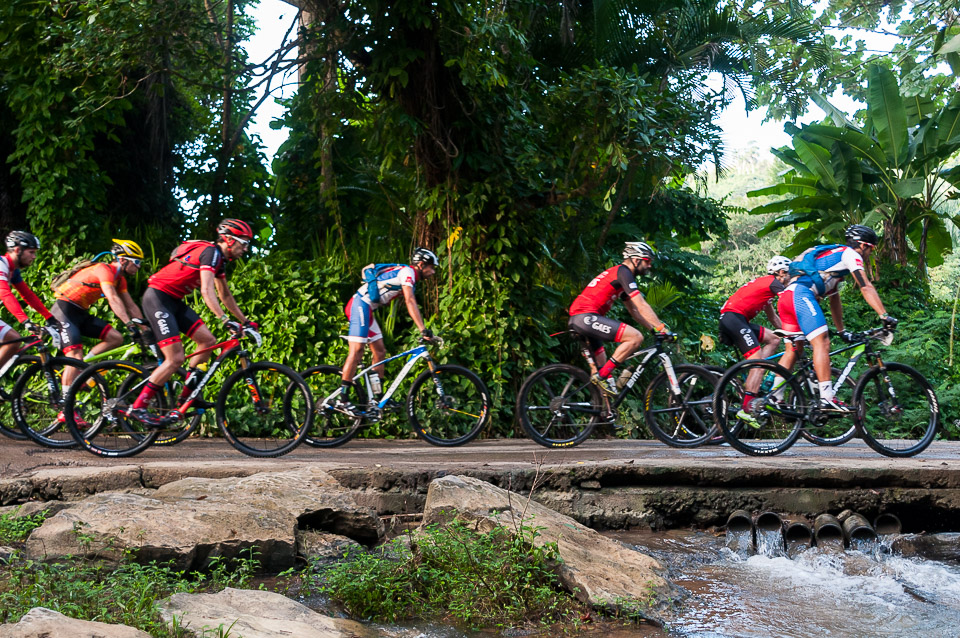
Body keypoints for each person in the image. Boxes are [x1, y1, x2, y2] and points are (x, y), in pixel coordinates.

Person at [126, 219, 256, 426]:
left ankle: (186, 397)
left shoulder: (219, 259)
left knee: (207, 341)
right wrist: (224, 320)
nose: (246, 248)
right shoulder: (211, 253)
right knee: (175, 358)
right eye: (244, 242)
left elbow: (225, 295)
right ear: (229, 240)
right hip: (158, 298)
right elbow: (207, 290)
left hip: (173, 301)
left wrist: (245, 321)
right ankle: (139, 406)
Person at [775, 224, 897, 411]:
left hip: (786, 298)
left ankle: (775, 397)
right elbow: (866, 286)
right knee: (822, 343)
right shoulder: (851, 255)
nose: (870, 254)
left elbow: (834, 299)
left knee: (794, 350)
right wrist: (884, 316)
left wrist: (842, 331)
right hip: (800, 296)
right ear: (863, 245)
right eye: (871, 249)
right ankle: (827, 398)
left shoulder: (834, 263)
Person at [335, 248, 439, 415]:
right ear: (421, 265)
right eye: (431, 267)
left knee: (380, 352)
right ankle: (343, 399)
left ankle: (378, 398)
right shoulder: (408, 272)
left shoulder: (408, 275)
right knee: (356, 351)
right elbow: (410, 300)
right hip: (360, 305)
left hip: (367, 309)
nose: (433, 272)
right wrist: (423, 329)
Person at [567, 241, 670, 396]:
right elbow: (641, 304)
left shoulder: (620, 277)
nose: (649, 266)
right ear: (636, 260)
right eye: (647, 261)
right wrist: (661, 328)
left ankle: (602, 415)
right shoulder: (624, 272)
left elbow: (635, 311)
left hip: (581, 319)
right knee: (635, 338)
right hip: (585, 317)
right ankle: (601, 377)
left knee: (604, 376)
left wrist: (653, 329)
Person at [52, 240, 146, 390]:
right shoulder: (103, 269)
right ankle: (64, 405)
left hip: (80, 312)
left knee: (115, 338)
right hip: (64, 310)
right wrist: (129, 325)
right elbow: (112, 298)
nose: (139, 266)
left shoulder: (120, 280)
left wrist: (144, 329)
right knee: (75, 356)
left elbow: (131, 305)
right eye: (136, 261)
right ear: (122, 260)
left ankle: (84, 367)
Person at [718, 255, 791, 423]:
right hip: (734, 318)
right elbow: (788, 302)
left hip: (736, 319)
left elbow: (775, 320)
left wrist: (790, 333)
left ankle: (757, 374)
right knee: (757, 363)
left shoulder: (767, 289)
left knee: (773, 339)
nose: (790, 279)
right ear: (781, 272)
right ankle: (747, 406)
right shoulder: (773, 283)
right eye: (789, 275)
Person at [0, 231, 61, 373]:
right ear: (17, 250)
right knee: (13, 339)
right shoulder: (1, 265)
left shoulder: (12, 270)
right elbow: (4, 293)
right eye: (31, 252)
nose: (34, 257)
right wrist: (24, 321)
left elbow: (27, 295)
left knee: (14, 341)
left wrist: (49, 316)